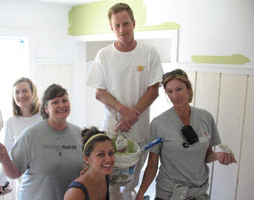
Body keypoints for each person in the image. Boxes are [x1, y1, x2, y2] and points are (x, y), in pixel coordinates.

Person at [86, 2, 163, 200]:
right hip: (112, 130)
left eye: (126, 24)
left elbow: (154, 90)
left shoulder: (149, 53)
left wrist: (132, 115)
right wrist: (123, 110)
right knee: (109, 184)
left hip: (139, 131)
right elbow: (99, 93)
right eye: (117, 26)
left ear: (134, 24)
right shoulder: (104, 55)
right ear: (112, 28)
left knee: (131, 183)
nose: (122, 30)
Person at [136, 69, 237, 200]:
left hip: (198, 191)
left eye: (179, 89)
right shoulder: (158, 124)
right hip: (169, 193)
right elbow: (152, 164)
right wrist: (140, 193)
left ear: (188, 89)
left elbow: (206, 156)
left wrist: (218, 156)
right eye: (170, 91)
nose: (175, 96)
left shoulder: (205, 118)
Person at [0, 83, 84, 200]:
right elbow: (15, 173)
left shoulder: (79, 134)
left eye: (64, 100)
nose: (61, 105)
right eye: (55, 102)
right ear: (46, 108)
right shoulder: (30, 135)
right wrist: (5, 158)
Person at [0, 77, 42, 195]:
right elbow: (7, 153)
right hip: (24, 181)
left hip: (46, 178)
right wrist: (0, 181)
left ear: (33, 92)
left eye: (25, 91)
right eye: (17, 92)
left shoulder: (44, 116)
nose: (21, 95)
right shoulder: (11, 122)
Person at [64, 127, 115, 200]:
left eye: (111, 153)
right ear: (86, 159)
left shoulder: (105, 176)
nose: (108, 159)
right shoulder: (75, 193)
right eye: (100, 154)